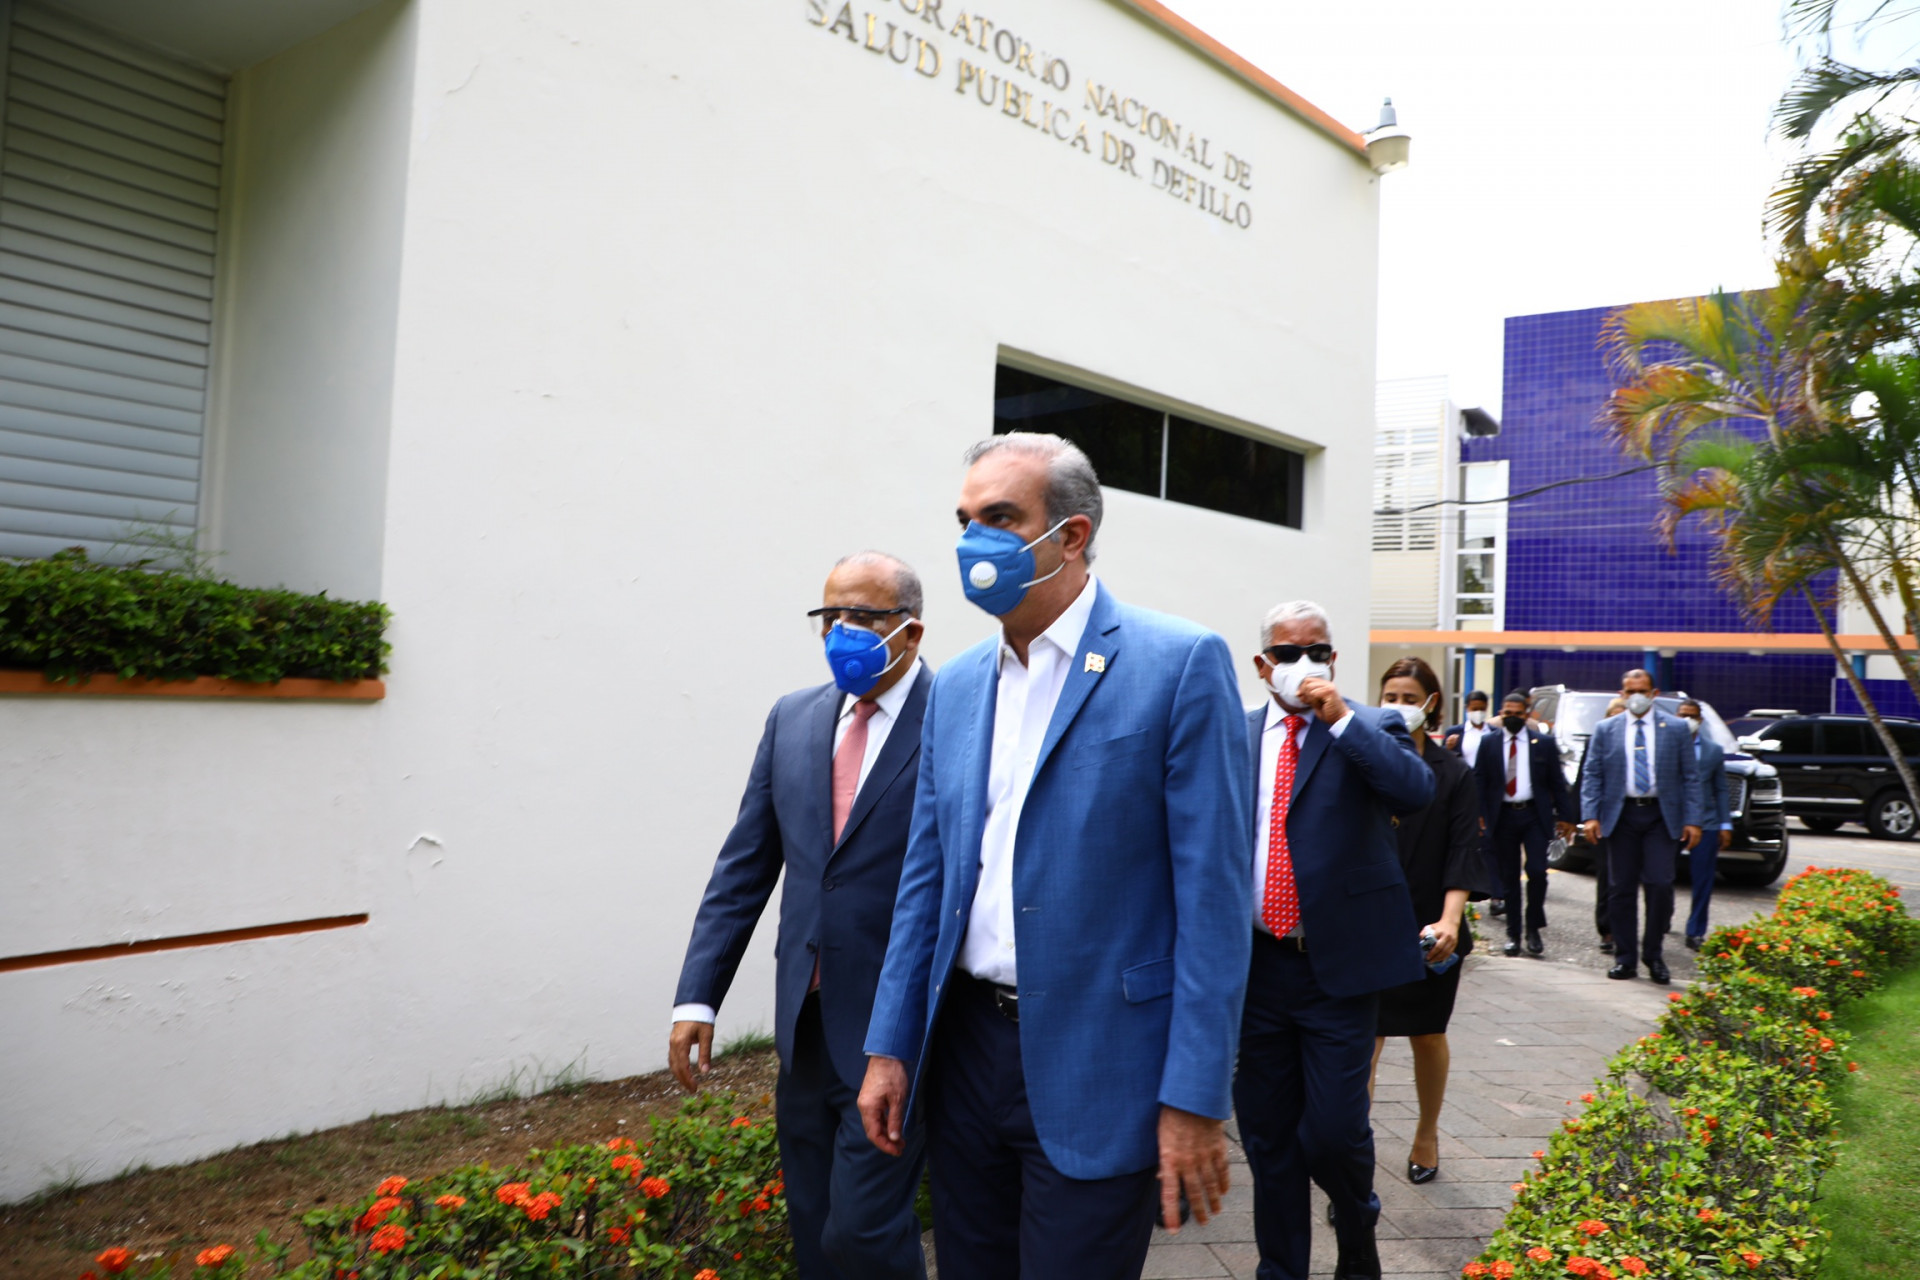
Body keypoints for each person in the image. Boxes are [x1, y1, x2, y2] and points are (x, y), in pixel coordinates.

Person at [858, 434, 1251, 1279]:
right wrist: (890, 1044)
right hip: (965, 1055)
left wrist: (1194, 1097)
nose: (974, 541)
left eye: (1000, 517)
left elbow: (1214, 904)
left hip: (1101, 1064)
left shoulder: (1178, 663)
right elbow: (926, 880)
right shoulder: (957, 685)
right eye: (964, 519)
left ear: (1071, 535)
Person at [671, 552, 932, 1280]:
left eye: (862, 617)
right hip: (806, 1026)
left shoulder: (959, 719)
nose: (840, 631)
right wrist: (698, 995)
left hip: (897, 1031)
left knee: (864, 1232)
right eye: (829, 616)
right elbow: (745, 866)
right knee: (813, 1232)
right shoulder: (792, 718)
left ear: (910, 631)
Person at [1236, 601, 1433, 1280]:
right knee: (1268, 1138)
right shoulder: (1236, 734)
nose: (1303, 665)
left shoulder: (1371, 726)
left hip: (1337, 969)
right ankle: (1280, 1268)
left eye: (1315, 651)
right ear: (1263, 665)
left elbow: (1414, 792)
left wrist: (1340, 718)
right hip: (1257, 968)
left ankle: (1356, 1221)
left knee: (1331, 1132)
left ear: (1333, 659)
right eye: (1287, 654)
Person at [1372, 657, 1497, 1186]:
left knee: (1426, 1034)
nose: (1399, 707)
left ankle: (1426, 1133)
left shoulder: (1454, 773)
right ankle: (1352, 1162)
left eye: (1409, 698)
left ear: (1431, 704)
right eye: (1390, 697)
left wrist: (1449, 920)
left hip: (1431, 924)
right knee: (1364, 1039)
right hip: (1370, 922)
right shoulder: (1363, 759)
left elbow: (1463, 851)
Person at [1579, 669, 1704, 984]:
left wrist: (1693, 819)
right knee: (1620, 889)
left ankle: (1653, 954)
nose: (1636, 696)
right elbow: (1593, 774)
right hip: (1621, 817)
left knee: (1660, 884)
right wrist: (1591, 815)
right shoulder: (1606, 729)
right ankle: (1625, 958)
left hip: (1661, 817)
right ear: (1621, 694)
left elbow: (1690, 776)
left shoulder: (1676, 728)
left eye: (1642, 691)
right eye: (1629, 691)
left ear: (1653, 693)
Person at [1473, 690, 1575, 957]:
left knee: (1537, 871)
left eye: (1518, 714)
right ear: (1501, 714)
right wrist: (1478, 813)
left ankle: (1533, 927)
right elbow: (1479, 780)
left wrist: (1566, 817)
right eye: (1508, 713)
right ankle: (1513, 934)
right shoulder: (1489, 743)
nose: (1513, 718)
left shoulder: (1543, 743)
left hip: (1534, 815)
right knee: (1509, 876)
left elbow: (1557, 782)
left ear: (1527, 714)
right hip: (1502, 816)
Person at [1676, 699, 1733, 950]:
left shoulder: (1712, 751)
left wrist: (1725, 824)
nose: (1687, 720)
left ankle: (1695, 931)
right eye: (1682, 715)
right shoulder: (1666, 746)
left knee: (1703, 880)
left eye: (1692, 716)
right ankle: (1662, 919)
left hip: (1706, 822)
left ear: (1700, 720)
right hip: (1671, 821)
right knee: (1661, 878)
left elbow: (1720, 790)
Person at [1579, 697, 1626, 954]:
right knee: (1606, 876)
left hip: (1630, 819)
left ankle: (1624, 928)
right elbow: (1586, 779)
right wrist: (1585, 816)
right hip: (1604, 819)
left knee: (1626, 879)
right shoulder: (1597, 740)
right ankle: (1607, 929)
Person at [1441, 691, 1492, 763]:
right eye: (1474, 709)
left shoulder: (1494, 732)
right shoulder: (1454, 732)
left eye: (1482, 709)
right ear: (1466, 708)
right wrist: (1448, 747)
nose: (1478, 712)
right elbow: (1441, 756)